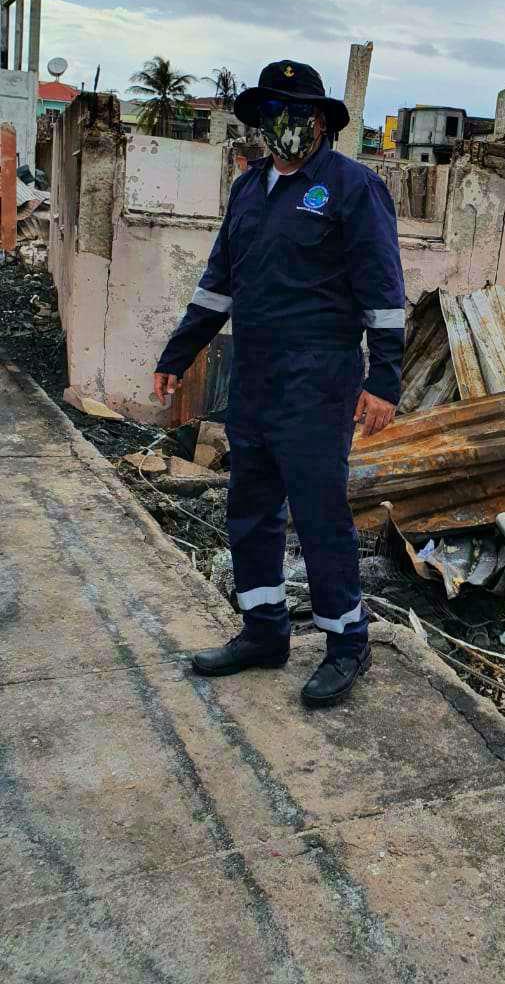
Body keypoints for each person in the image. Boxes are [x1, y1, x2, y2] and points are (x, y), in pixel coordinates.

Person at [153, 60, 405, 707]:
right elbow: (217, 286)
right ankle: (264, 630)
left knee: (319, 515)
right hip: (256, 376)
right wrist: (178, 354)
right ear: (262, 121)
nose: (288, 126)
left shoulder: (352, 187)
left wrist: (385, 380)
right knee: (250, 508)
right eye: (276, 114)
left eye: (300, 114)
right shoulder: (248, 190)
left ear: (321, 122)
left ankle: (347, 643)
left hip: (319, 380)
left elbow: (382, 293)